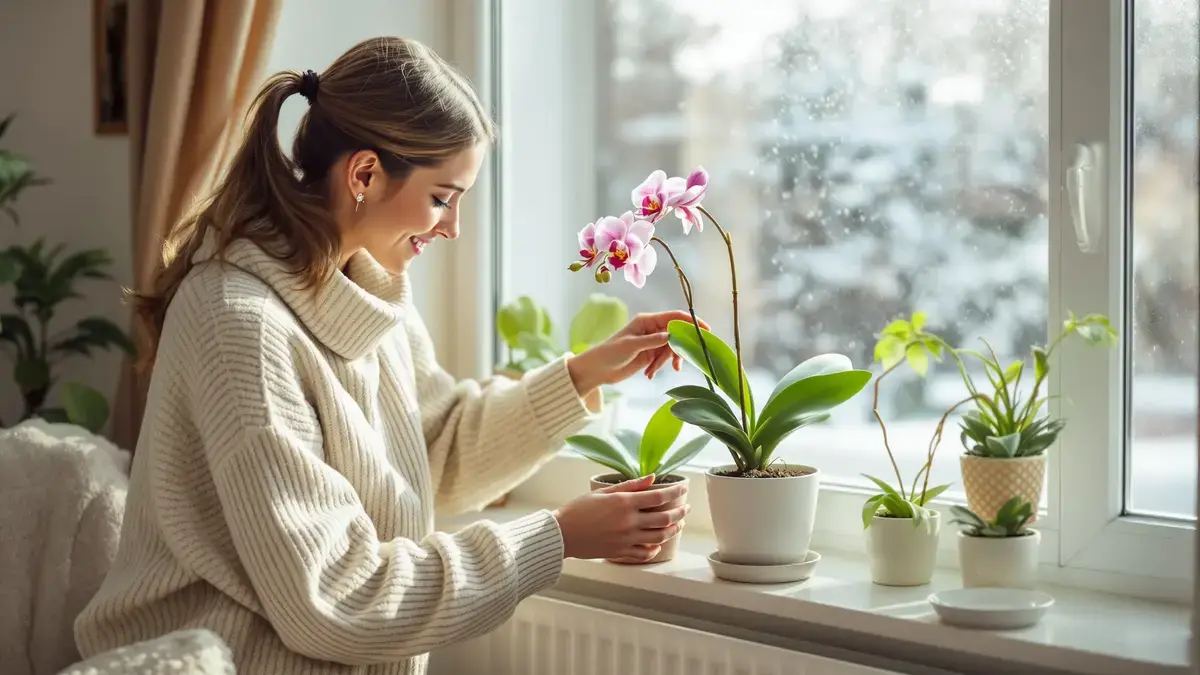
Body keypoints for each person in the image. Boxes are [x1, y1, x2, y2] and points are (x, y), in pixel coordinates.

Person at [74, 37, 696, 674]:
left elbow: (433, 450)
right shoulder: (241, 327)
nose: (451, 227)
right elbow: (334, 598)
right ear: (365, 174)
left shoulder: (363, 287)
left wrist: (585, 372)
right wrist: (557, 537)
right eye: (441, 197)